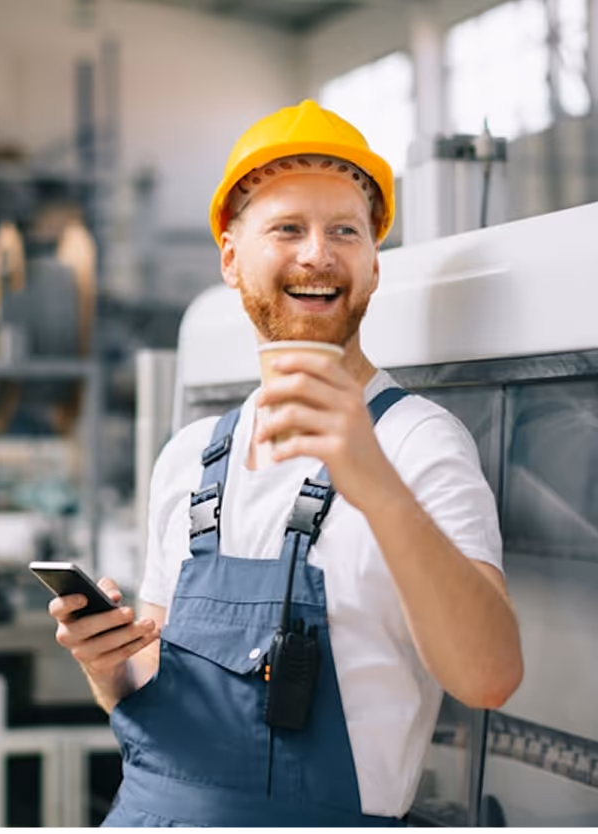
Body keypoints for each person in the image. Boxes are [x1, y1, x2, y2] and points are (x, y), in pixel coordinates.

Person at [49, 99, 524, 827]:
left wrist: (375, 485)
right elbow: (149, 687)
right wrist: (105, 662)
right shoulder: (189, 460)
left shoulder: (418, 444)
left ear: (372, 262)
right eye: (287, 229)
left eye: (345, 231)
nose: (317, 254)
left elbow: (488, 677)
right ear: (232, 259)